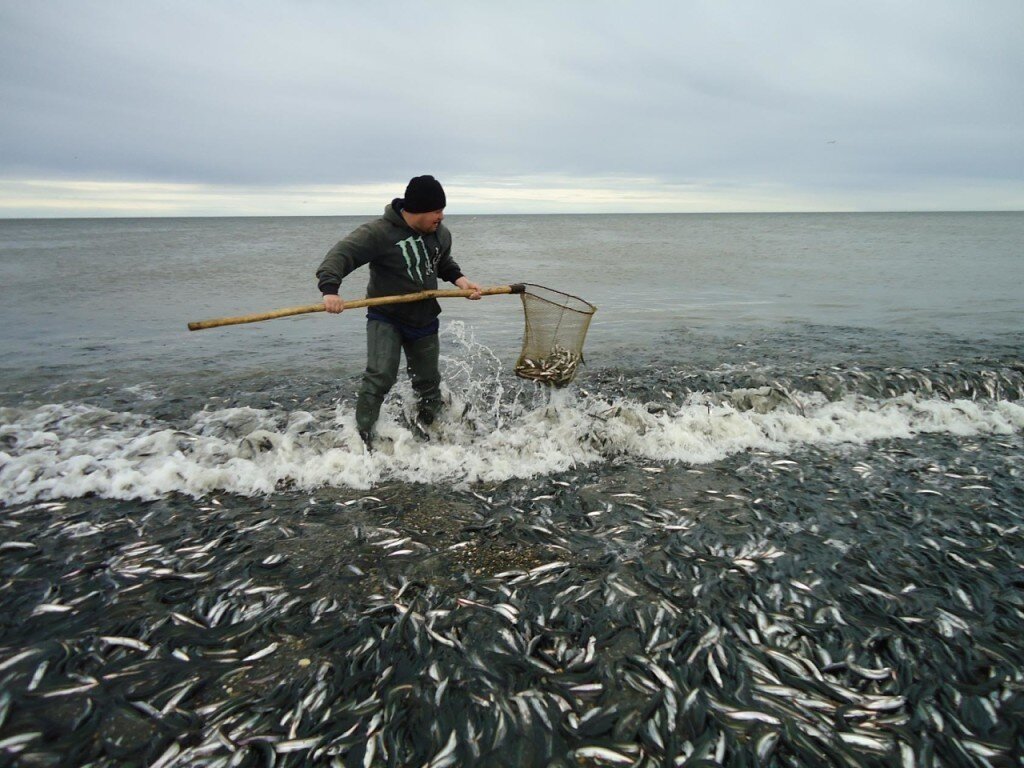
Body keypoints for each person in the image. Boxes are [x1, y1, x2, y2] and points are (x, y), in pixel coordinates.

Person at [316, 175, 482, 448]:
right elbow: (340, 255)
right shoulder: (378, 233)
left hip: (425, 316)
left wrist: (461, 281)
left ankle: (433, 432)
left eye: (442, 210)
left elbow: (442, 262)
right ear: (417, 209)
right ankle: (363, 438)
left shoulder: (441, 234)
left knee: (428, 382)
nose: (441, 216)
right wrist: (330, 291)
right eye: (436, 211)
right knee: (380, 376)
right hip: (387, 316)